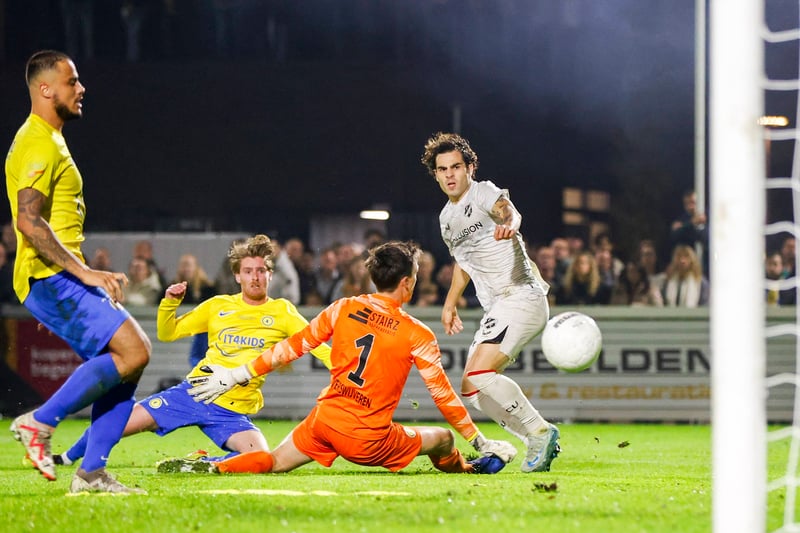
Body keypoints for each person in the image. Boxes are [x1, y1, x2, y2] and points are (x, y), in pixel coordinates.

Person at [185, 241, 516, 475]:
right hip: (367, 440)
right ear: (407, 282)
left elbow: (291, 348)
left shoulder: (343, 307)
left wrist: (236, 374)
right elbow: (443, 396)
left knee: (272, 462)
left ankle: (214, 467)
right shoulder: (418, 333)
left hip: (324, 421)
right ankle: (469, 468)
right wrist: (479, 440)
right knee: (444, 438)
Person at [54, 234, 333, 474]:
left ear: (270, 275)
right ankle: (67, 456)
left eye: (261, 271)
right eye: (248, 271)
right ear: (237, 276)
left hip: (232, 412)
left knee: (260, 459)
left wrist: (340, 368)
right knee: (118, 422)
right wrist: (169, 304)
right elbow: (168, 333)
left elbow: (315, 342)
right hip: (194, 393)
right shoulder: (218, 305)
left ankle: (199, 464)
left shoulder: (282, 311)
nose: (255, 277)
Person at [5, 50, 151, 493]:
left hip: (54, 277)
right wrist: (83, 273)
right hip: (50, 275)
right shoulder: (39, 142)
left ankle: (91, 474)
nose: (81, 88)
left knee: (129, 362)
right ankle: (40, 422)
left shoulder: (49, 138)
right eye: (72, 81)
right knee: (135, 351)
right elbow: (28, 221)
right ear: (45, 88)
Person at [419, 132, 560, 473]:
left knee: (481, 373)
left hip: (520, 296)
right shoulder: (446, 219)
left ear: (470, 168)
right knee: (472, 390)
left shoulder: (482, 192)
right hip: (498, 306)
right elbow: (463, 264)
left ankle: (540, 431)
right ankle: (535, 439)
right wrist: (450, 304)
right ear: (435, 174)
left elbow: (509, 211)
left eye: (456, 167)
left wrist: (509, 225)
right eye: (442, 169)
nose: (450, 175)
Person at [669, 189, 709, 274]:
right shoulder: (682, 220)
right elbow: (674, 235)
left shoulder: (709, 216)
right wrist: (691, 223)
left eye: (693, 202)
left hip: (707, 265)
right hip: (689, 268)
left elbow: (708, 239)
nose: (690, 206)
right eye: (687, 204)